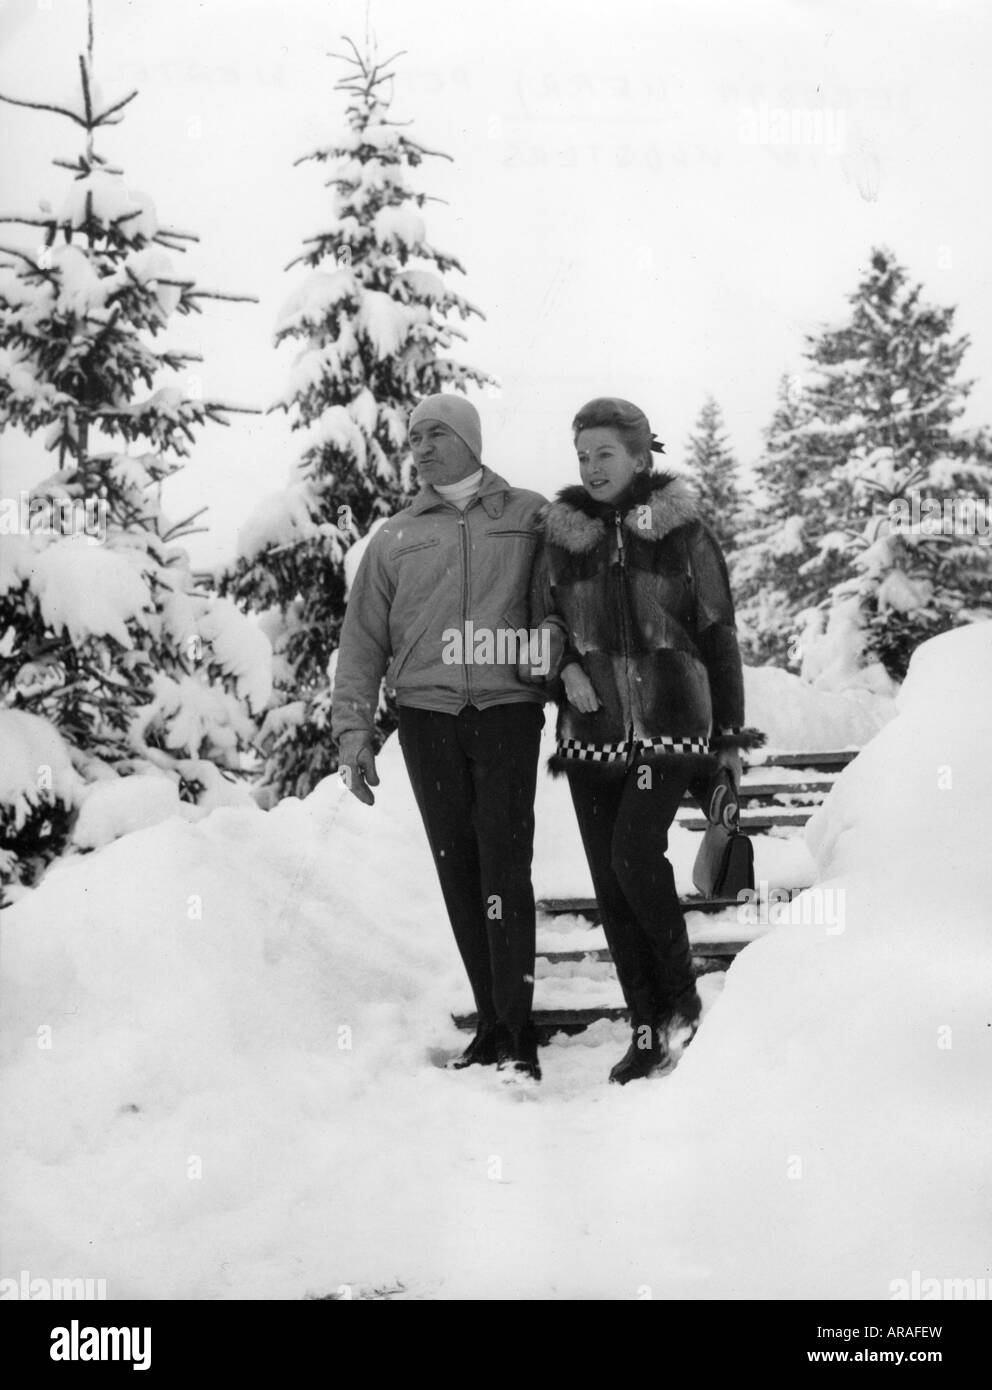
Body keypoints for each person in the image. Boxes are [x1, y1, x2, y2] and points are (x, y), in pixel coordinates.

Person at [527, 397, 762, 1084]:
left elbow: (720, 637)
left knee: (634, 856)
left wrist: (726, 745)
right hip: (594, 733)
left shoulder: (684, 535)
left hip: (671, 727)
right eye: (582, 457)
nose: (593, 467)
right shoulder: (562, 537)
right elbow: (542, 625)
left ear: (640, 456)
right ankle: (646, 1028)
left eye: (605, 453)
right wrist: (563, 670)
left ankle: (683, 1002)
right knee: (610, 886)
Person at [331, 394, 550, 1082]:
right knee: (460, 872)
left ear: (467, 439)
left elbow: (568, 599)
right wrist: (353, 732)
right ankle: (490, 1023)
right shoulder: (396, 536)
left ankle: (517, 1031)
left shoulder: (527, 516)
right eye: (414, 438)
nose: (420, 448)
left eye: (434, 435)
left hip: (507, 710)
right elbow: (362, 640)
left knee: (505, 869)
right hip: (427, 719)